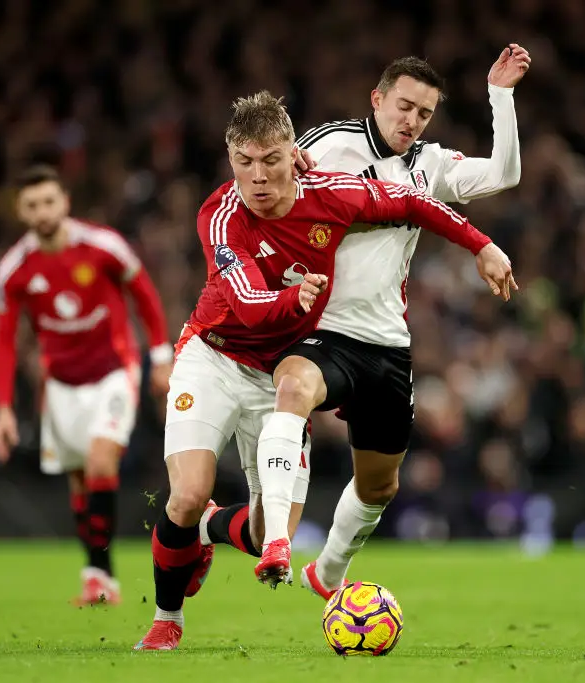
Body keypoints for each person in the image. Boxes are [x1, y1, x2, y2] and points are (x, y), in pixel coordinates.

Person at [134, 90, 512, 651]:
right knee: (186, 494)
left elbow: (412, 204)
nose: (256, 177)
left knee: (268, 532)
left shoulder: (331, 194)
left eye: (269, 160)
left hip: (278, 371)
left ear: (294, 153)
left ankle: (215, 529)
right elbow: (246, 303)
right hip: (212, 356)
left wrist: (479, 243)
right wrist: (296, 299)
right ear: (230, 158)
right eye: (243, 162)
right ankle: (168, 619)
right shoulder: (220, 214)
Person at [202, 48, 530, 595]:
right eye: (404, 106)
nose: (412, 121)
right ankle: (279, 541)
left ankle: (324, 573)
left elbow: (504, 174)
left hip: (386, 342)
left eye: (424, 114)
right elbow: (256, 184)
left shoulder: (430, 166)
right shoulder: (328, 144)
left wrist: (501, 95)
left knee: (379, 486)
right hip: (317, 326)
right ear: (377, 99)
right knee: (293, 389)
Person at [0, 165, 174, 606]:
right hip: (60, 384)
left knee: (99, 462)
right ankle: (98, 576)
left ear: (65, 202)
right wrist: (2, 408)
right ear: (21, 211)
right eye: (32, 205)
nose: (42, 212)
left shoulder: (103, 245)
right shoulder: (13, 270)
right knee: (79, 482)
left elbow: (145, 294)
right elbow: (3, 342)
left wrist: (161, 356)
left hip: (114, 369)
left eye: (49, 201)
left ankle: (100, 574)